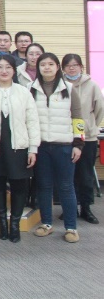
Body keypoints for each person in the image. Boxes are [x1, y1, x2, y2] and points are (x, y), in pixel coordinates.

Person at [30, 52, 86, 243]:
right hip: (41, 147)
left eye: (51, 64)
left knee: (66, 187)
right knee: (44, 186)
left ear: (57, 67)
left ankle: (71, 227)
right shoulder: (30, 89)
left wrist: (78, 144)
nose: (46, 67)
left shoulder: (68, 88)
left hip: (64, 146)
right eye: (43, 64)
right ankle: (46, 223)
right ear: (38, 68)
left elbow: (78, 118)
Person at [0, 55, 40, 242]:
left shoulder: (24, 92)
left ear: (14, 70)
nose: (4, 71)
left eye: (8, 67)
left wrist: (33, 148)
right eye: (0, 67)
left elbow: (32, 121)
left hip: (19, 145)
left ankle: (15, 223)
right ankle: (2, 221)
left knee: (19, 185)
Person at [62, 54, 104, 224]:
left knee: (85, 175)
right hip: (65, 137)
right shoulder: (60, 84)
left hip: (87, 138)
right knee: (68, 176)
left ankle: (86, 208)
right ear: (63, 68)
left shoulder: (92, 85)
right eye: (68, 65)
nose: (72, 68)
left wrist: (90, 125)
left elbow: (99, 109)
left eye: (75, 65)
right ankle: (70, 209)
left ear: (81, 67)